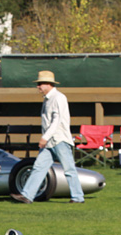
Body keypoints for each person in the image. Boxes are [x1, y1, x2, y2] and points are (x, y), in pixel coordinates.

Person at [10, 70, 85, 205]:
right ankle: (27, 195)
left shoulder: (58, 98)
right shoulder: (48, 99)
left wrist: (45, 137)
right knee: (39, 167)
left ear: (48, 84)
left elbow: (57, 121)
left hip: (59, 139)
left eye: (40, 84)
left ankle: (78, 197)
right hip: (50, 141)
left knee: (69, 169)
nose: (38, 87)